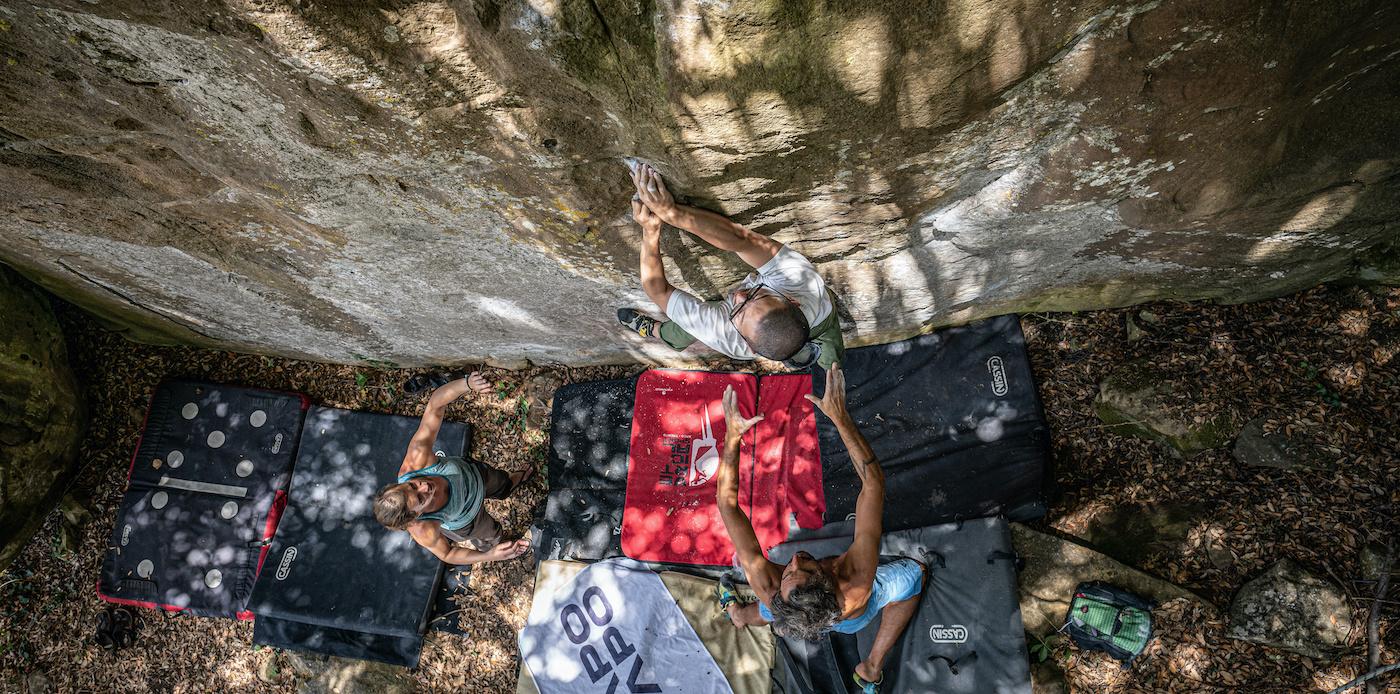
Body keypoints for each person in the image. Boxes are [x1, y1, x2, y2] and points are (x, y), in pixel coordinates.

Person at [714, 364, 924, 694]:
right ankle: (870, 667)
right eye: (803, 569)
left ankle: (739, 615)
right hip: (848, 615)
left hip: (788, 610)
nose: (794, 560)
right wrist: (840, 418)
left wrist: (732, 439)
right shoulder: (854, 582)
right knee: (914, 574)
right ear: (826, 578)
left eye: (789, 572)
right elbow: (872, 485)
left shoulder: (771, 586)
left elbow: (727, 506)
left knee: (771, 609)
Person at [617, 162, 845, 370]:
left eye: (737, 311)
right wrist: (672, 213)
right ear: (791, 299)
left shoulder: (726, 335)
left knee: (694, 324)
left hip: (803, 321)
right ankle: (669, 336)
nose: (737, 295)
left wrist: (650, 230)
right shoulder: (800, 281)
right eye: (755, 295)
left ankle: (663, 333)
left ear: (750, 347)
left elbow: (657, 289)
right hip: (821, 319)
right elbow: (741, 240)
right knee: (835, 365)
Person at [372, 373, 533, 564]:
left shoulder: (416, 461)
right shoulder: (423, 528)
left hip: (475, 476)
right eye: (421, 498)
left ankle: (514, 482)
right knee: (491, 538)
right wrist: (490, 555)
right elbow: (447, 554)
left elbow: (435, 406)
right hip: (467, 521)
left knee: (503, 484)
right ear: (417, 515)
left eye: (413, 486)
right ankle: (502, 546)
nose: (425, 487)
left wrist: (467, 383)